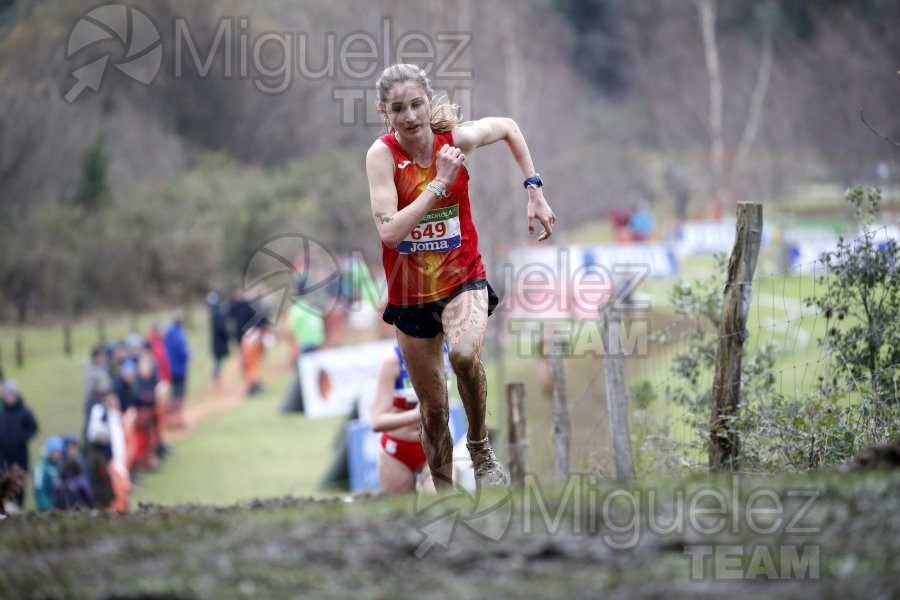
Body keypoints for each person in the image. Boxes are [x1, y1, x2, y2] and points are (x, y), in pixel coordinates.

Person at [365, 63, 557, 489]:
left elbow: (508, 126)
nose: (411, 116)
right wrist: (438, 183)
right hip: (410, 296)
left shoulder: (456, 141)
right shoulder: (382, 156)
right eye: (399, 109)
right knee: (432, 411)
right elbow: (390, 232)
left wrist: (534, 189)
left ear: (428, 102)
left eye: (417, 104)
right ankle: (446, 497)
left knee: (465, 354)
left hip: (462, 279)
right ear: (385, 113)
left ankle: (480, 447)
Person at [370, 345, 447, 494]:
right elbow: (376, 421)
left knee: (442, 508)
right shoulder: (392, 360)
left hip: (436, 446)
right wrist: (415, 415)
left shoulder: (448, 353)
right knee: (402, 514)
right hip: (397, 452)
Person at [0, 379, 39, 509]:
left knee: (19, 485)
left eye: (12, 394)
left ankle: (19, 507)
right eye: (8, 394)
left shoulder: (24, 411)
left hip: (20, 456)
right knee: (5, 486)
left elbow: (34, 426)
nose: (10, 397)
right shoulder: (2, 412)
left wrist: (23, 437)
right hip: (4, 457)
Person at [164, 316, 190, 428]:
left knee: (173, 393)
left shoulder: (168, 333)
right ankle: (177, 419)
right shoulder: (179, 335)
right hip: (179, 369)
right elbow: (182, 352)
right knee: (178, 395)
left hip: (170, 369)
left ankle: (170, 419)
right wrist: (189, 353)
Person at [207, 291, 231, 390]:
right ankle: (216, 379)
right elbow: (221, 328)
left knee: (217, 361)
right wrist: (227, 335)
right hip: (219, 342)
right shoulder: (217, 313)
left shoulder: (214, 313)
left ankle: (216, 379)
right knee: (218, 362)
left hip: (217, 342)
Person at [33, 436, 63, 512]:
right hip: (46, 509)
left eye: (59, 452)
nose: (58, 454)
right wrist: (44, 506)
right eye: (56, 451)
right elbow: (39, 488)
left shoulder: (58, 466)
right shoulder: (40, 468)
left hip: (57, 508)